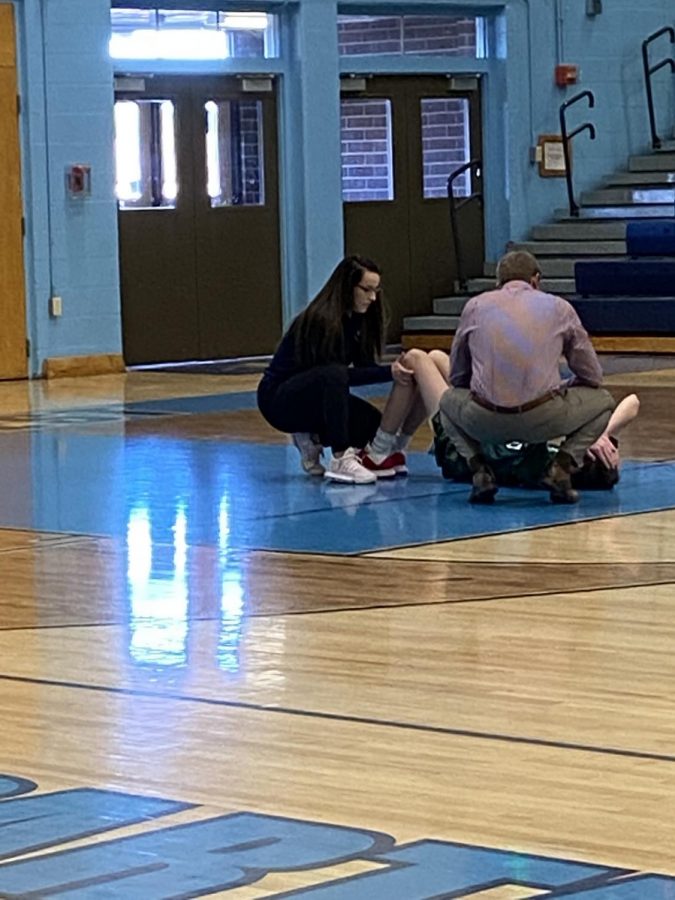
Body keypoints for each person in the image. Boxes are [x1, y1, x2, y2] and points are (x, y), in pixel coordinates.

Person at [438, 250, 616, 504]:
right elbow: (593, 375)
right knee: (604, 402)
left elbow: (457, 376)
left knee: (446, 403)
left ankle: (479, 471)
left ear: (498, 283)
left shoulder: (475, 307)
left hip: (485, 419)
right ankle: (561, 467)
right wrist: (566, 386)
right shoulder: (559, 307)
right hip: (542, 418)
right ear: (536, 281)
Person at [361, 346, 638, 492]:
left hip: (461, 448)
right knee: (436, 357)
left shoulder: (541, 466)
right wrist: (603, 433)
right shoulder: (571, 454)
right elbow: (632, 403)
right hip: (481, 428)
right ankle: (397, 450)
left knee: (416, 359)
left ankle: (379, 451)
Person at [257, 255, 413, 485]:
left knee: (370, 422)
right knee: (333, 375)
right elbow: (337, 376)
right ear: (347, 287)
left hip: (314, 394)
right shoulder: (320, 320)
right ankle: (340, 457)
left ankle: (313, 435)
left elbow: (363, 369)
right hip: (279, 400)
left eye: (376, 291)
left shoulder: (359, 320)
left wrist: (392, 370)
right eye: (366, 290)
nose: (372, 298)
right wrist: (388, 372)